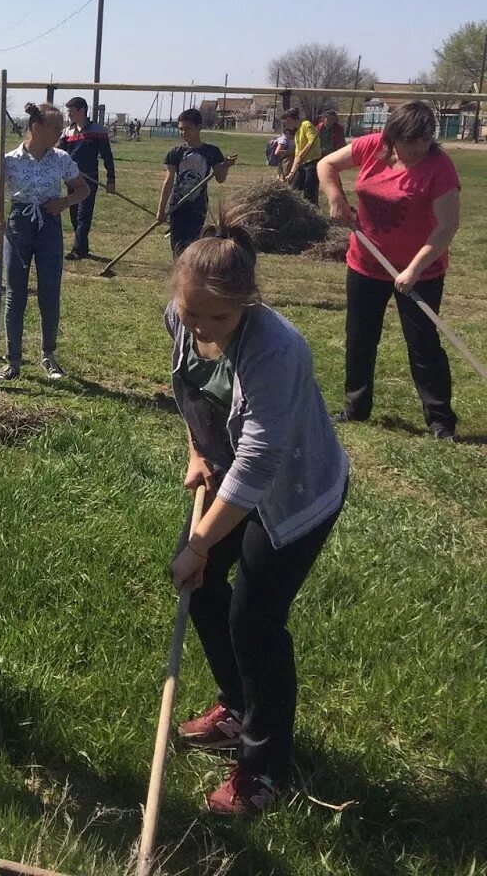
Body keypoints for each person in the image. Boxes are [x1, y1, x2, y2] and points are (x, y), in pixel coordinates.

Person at [165, 209, 347, 816]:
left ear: (250, 303)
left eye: (219, 317)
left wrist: (197, 542)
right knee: (206, 588)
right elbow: (190, 391)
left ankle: (263, 766)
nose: (203, 327)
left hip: (294, 494)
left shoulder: (279, 349)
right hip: (229, 479)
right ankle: (236, 704)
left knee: (255, 619)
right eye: (193, 314)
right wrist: (197, 450)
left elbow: (259, 466)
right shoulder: (182, 316)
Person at [318, 100, 462, 442]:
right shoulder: (373, 147)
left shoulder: (439, 167)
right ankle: (356, 407)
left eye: (426, 140)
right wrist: (335, 196)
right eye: (411, 141)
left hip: (421, 271)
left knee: (423, 343)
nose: (419, 148)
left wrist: (413, 269)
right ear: (392, 136)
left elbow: (447, 226)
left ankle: (441, 420)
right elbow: (326, 164)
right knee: (360, 337)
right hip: (366, 262)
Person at [0, 102, 89, 381]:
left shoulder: (62, 158)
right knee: (15, 294)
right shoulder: (11, 159)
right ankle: (13, 360)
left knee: (49, 292)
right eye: (56, 128)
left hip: (49, 226)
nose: (61, 132)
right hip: (18, 225)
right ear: (36, 127)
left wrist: (65, 201)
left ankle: (48, 356)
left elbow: (83, 189)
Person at [159, 109, 235, 257]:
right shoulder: (176, 153)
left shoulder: (211, 152)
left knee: (193, 246)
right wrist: (161, 210)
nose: (184, 133)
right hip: (177, 206)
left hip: (197, 207)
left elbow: (220, 178)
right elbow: (168, 182)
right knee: (177, 246)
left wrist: (225, 166)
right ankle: (180, 275)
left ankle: (192, 275)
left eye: (188, 128)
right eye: (181, 129)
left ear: (199, 127)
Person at [60, 96, 117, 260]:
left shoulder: (97, 130)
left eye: (71, 111)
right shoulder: (67, 131)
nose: (69, 114)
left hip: (89, 179)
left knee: (83, 215)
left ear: (82, 110)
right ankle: (83, 248)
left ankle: (77, 250)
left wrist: (111, 179)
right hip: (71, 178)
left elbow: (107, 156)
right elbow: (60, 154)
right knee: (74, 213)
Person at [283, 107, 321, 204]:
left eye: (286, 123)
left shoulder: (306, 124)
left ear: (289, 119)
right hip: (302, 165)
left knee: (309, 193)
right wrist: (291, 173)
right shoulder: (297, 133)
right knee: (294, 189)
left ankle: (313, 214)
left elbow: (312, 141)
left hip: (312, 163)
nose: (286, 126)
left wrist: (301, 154)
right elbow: (297, 155)